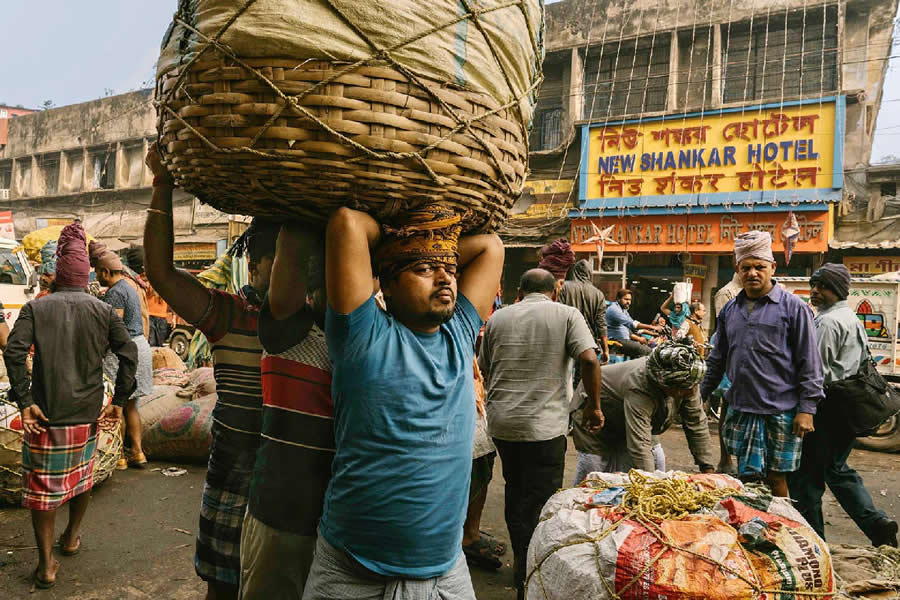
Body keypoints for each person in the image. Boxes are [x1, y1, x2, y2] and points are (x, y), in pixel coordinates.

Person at [302, 204, 503, 600]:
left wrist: (425, 247)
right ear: (387, 285)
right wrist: (402, 241)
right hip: (352, 571)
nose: (446, 276)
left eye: (448, 267)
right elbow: (347, 222)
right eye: (425, 270)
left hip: (446, 571)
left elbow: (491, 247)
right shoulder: (361, 334)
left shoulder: (458, 333)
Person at [144, 144, 278, 600]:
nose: (289, 272)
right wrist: (163, 184)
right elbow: (160, 273)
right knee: (223, 589)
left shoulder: (329, 324)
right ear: (253, 266)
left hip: (298, 490)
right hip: (233, 480)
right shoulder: (229, 315)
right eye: (276, 260)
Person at [4, 222, 137, 589]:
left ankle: (46, 566)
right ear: (87, 273)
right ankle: (72, 538)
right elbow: (129, 356)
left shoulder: (35, 309)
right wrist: (120, 402)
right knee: (82, 479)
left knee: (43, 492)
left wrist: (25, 401)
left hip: (46, 415)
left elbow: (14, 352)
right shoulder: (104, 311)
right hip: (87, 414)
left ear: (57, 273)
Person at [479, 268, 603, 600]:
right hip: (543, 428)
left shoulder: (498, 319)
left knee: (515, 490)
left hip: (504, 425)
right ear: (555, 292)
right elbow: (589, 360)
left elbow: (485, 365)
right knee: (543, 499)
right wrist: (594, 406)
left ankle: (523, 558)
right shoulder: (566, 314)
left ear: (519, 291)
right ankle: (532, 567)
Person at [240, 225, 334, 599]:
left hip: (344, 522)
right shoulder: (290, 327)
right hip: (283, 514)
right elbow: (292, 239)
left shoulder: (372, 334)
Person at [700, 231, 823, 497]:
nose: (753, 273)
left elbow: (810, 362)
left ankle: (782, 530)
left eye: (760, 267)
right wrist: (702, 393)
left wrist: (807, 409)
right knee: (745, 480)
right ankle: (751, 532)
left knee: (776, 479)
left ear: (772, 268)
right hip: (741, 407)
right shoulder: (730, 311)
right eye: (746, 267)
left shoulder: (794, 308)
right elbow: (717, 359)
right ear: (737, 270)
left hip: (780, 410)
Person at [787, 264, 899, 547]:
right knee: (836, 468)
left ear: (837, 290)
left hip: (826, 409)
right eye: (814, 285)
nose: (815, 291)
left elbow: (816, 373)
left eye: (822, 286)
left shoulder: (827, 322)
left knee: (805, 478)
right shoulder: (849, 316)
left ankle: (814, 541)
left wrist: (803, 408)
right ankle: (877, 525)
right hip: (846, 407)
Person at [570, 340, 714, 484]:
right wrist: (651, 488)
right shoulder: (640, 385)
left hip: (631, 415)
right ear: (666, 383)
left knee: (657, 462)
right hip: (595, 412)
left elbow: (696, 424)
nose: (690, 391)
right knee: (594, 472)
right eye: (684, 389)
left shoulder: (688, 381)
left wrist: (708, 471)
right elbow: (640, 446)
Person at [91, 242, 153, 469]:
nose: (97, 276)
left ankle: (119, 456)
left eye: (98, 272)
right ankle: (138, 452)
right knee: (131, 406)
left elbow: (113, 329)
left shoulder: (116, 293)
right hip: (140, 347)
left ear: (106, 272)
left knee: (116, 405)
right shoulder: (130, 287)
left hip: (123, 351)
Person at [462, 361, 504, 571]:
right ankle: (468, 536)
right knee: (475, 467)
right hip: (464, 411)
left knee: (482, 462)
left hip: (474, 403)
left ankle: (470, 530)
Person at [559, 258, 610, 365]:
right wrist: (606, 350)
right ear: (590, 273)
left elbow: (558, 315)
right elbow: (601, 324)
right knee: (582, 378)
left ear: (574, 271)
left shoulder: (564, 287)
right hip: (587, 343)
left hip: (565, 341)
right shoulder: (598, 294)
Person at [606, 289, 659, 358]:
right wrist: (653, 327)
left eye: (630, 300)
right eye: (626, 299)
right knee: (647, 351)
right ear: (618, 299)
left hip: (624, 340)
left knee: (645, 348)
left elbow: (633, 328)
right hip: (616, 341)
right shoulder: (614, 309)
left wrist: (653, 333)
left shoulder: (623, 310)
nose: (628, 302)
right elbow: (632, 324)